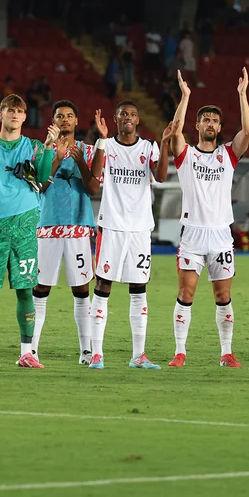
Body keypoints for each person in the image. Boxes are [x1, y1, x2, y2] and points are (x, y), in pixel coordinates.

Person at [164, 68, 249, 368]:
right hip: (192, 234)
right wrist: (185, 96)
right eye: (206, 119)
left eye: (215, 120)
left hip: (220, 235)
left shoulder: (227, 155)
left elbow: (248, 132)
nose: (210, 123)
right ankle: (180, 352)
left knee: (223, 294)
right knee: (185, 293)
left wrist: (242, 94)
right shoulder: (186, 155)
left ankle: (226, 353)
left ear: (219, 126)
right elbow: (175, 130)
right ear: (198, 125)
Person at [0, 94, 55, 369]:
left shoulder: (35, 147)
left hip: (25, 225)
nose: (14, 115)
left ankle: (27, 353)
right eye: (9, 110)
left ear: (25, 116)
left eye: (19, 111)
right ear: (1, 114)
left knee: (26, 290)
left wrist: (49, 148)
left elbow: (43, 178)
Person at [88, 101, 174, 370]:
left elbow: (161, 176)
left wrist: (165, 143)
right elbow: (96, 175)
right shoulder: (106, 145)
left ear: (138, 120)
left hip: (140, 228)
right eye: (123, 114)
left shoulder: (149, 147)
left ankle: (139, 355)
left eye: (133, 114)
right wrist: (102, 140)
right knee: (103, 285)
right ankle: (96, 354)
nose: (128, 117)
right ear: (115, 118)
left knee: (139, 288)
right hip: (112, 225)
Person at [30, 101, 101, 365]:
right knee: (40, 288)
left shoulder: (88, 150)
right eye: (60, 116)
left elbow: (93, 189)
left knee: (81, 289)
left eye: (70, 116)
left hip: (78, 227)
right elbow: (38, 186)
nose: (65, 120)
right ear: (53, 121)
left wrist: (77, 160)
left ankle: (85, 351)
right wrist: (56, 157)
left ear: (76, 121)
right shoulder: (40, 150)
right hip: (48, 226)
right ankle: (31, 349)